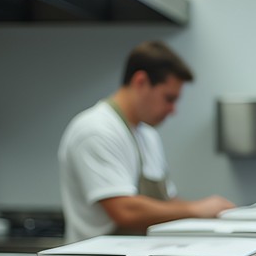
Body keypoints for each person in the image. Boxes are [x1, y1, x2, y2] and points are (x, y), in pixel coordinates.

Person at [58, 40, 235, 241]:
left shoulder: (147, 135)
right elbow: (125, 210)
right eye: (169, 98)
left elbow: (168, 203)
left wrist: (211, 213)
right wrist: (196, 209)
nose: (173, 110)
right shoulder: (96, 130)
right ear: (141, 81)